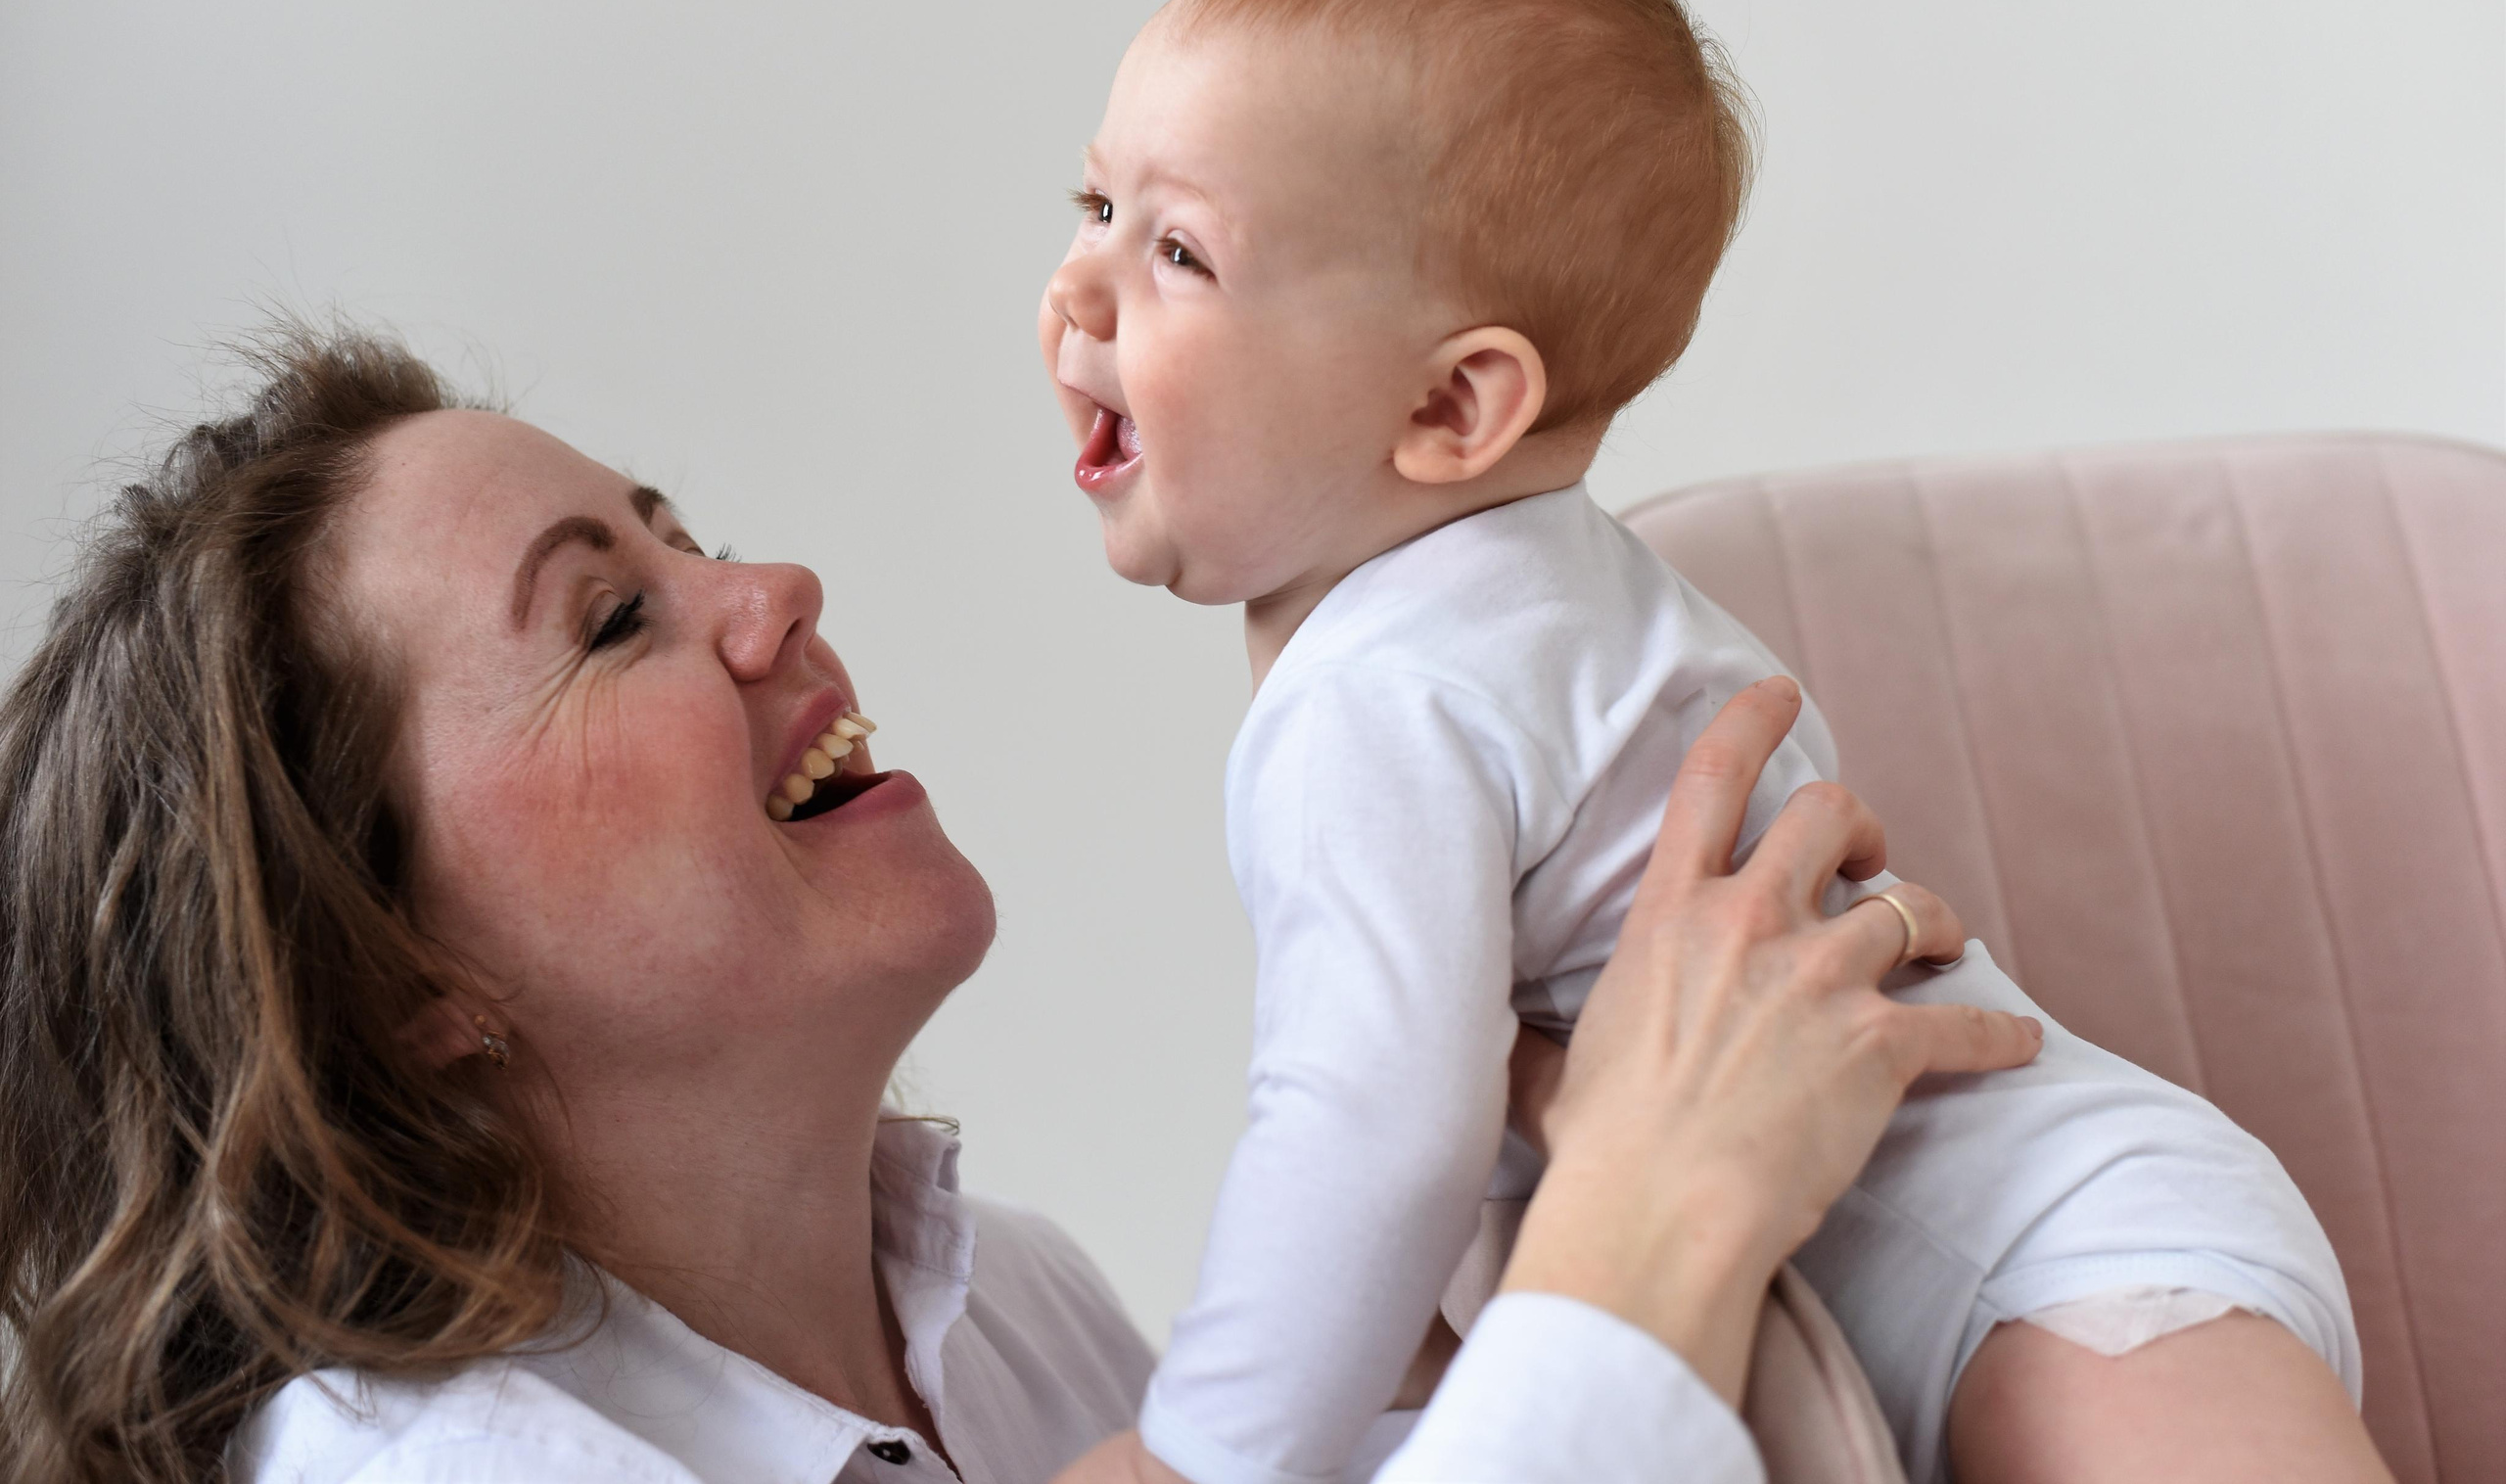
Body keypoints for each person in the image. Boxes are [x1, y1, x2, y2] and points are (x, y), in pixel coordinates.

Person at [0, 329, 2059, 1484]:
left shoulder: (1021, 1320)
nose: (767, 589)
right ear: (400, 980)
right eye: (614, 613)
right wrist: (1647, 1220)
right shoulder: (410, 1480)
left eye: (679, 529)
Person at [1038, 0, 2377, 1484]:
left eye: (1177, 249)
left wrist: (1199, 1454)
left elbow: (1376, 1138)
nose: (1082, 286)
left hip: (2061, 1273)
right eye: (1096, 202)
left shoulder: (1379, 698)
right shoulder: (1548, 603)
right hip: (2027, 1267)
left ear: (1454, 401)